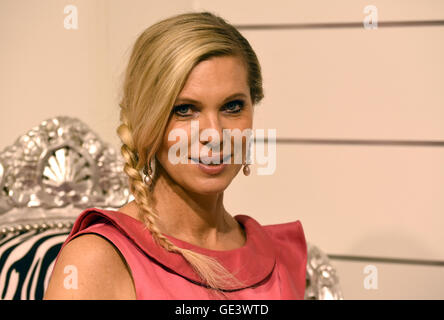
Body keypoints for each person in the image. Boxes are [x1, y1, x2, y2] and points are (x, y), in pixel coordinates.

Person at [44, 11, 307, 300]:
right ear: (146, 120)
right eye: (184, 110)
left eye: (232, 106)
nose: (215, 134)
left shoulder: (278, 258)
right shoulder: (98, 260)